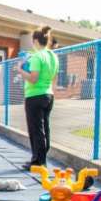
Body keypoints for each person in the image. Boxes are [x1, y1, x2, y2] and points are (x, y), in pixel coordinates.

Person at [16, 26, 60, 170]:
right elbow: (53, 77)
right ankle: (41, 159)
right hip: (48, 95)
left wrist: (20, 69)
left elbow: (33, 78)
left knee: (36, 130)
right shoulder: (53, 56)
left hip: (34, 96)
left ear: (35, 40)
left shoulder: (37, 56)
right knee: (44, 128)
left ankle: (38, 162)